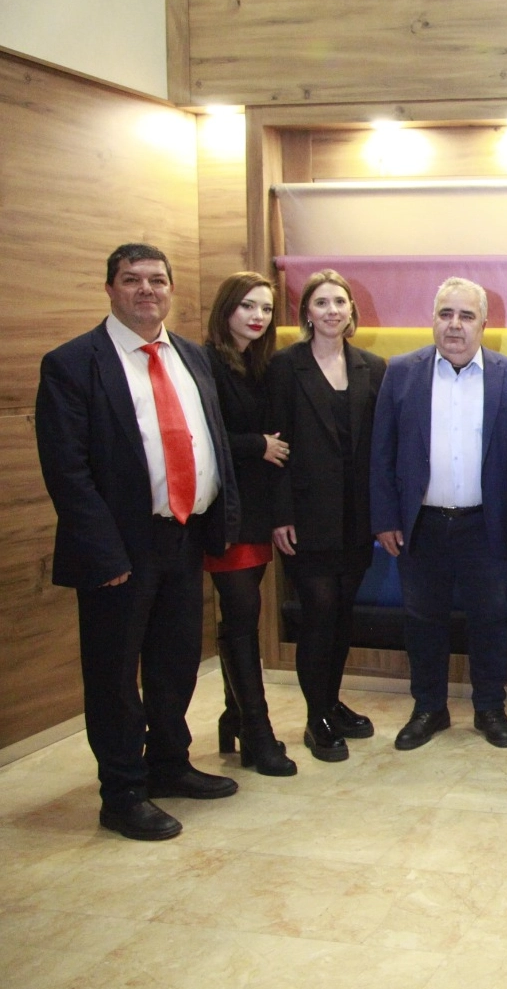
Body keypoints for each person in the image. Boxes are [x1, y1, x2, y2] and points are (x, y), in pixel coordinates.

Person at [36, 243, 240, 840]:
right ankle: (122, 792)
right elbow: (67, 471)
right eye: (131, 279)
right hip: (119, 549)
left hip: (184, 534)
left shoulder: (193, 357)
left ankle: (169, 764)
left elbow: (211, 441)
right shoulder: (73, 363)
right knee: (115, 676)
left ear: (171, 289)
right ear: (110, 289)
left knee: (176, 662)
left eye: (156, 279)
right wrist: (103, 552)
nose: (146, 289)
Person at [370, 278, 507, 751]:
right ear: (433, 319)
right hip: (420, 525)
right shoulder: (401, 372)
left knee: (491, 619)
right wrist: (385, 518)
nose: (455, 325)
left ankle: (490, 708)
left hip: (487, 524)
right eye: (446, 314)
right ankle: (429, 708)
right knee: (422, 621)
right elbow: (382, 452)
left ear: (484, 323)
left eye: (466, 315)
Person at [266, 269, 387, 762]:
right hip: (305, 516)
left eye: (340, 302)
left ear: (351, 311)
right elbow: (274, 446)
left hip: (355, 517)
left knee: (341, 615)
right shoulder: (284, 366)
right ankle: (315, 718)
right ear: (307, 313)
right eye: (321, 302)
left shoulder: (372, 366)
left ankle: (331, 703)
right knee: (318, 613)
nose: (332, 310)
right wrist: (280, 514)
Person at [202, 271, 296, 777]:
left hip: (257, 511)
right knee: (241, 617)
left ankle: (233, 716)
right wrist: (256, 444)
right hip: (226, 513)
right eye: (247, 306)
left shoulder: (260, 365)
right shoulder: (205, 363)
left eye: (265, 308)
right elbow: (204, 436)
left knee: (241, 618)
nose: (258, 316)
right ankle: (257, 732)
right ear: (226, 309)